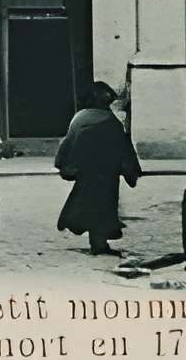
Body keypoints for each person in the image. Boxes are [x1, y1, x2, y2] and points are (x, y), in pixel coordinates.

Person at [55, 80, 141, 255]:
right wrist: (130, 171)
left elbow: (68, 143)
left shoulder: (80, 118)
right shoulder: (111, 121)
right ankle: (99, 243)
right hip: (106, 174)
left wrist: (65, 164)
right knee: (104, 207)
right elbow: (123, 147)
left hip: (86, 172)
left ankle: (94, 239)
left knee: (87, 203)